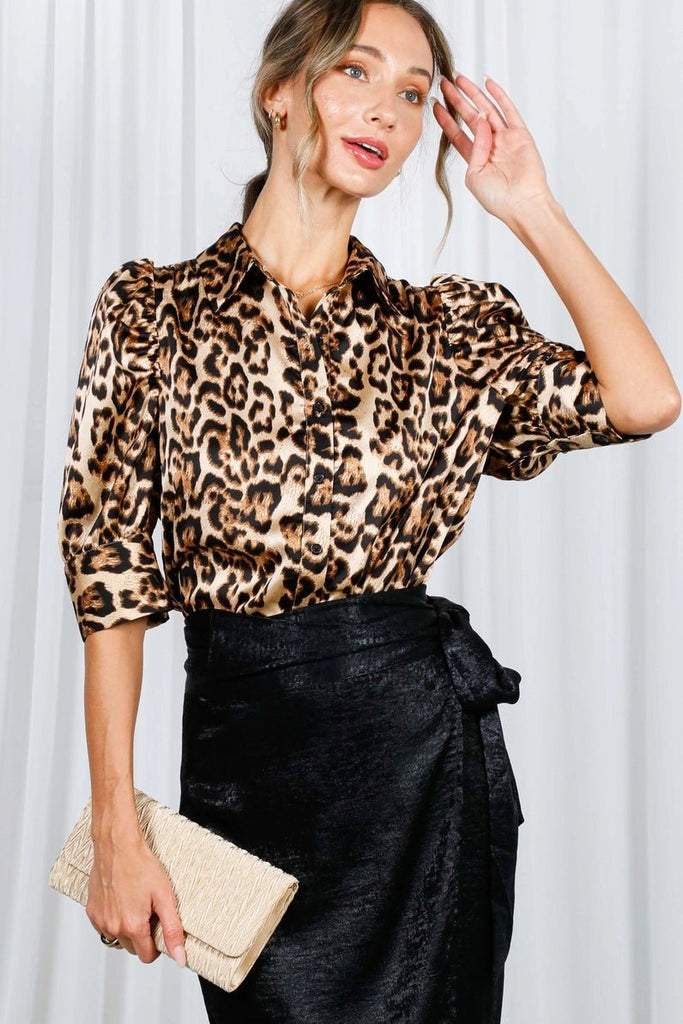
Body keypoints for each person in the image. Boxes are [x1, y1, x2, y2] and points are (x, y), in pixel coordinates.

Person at [56, 1, 679, 1021]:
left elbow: (643, 398)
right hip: (244, 773)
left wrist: (527, 205)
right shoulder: (151, 312)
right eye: (356, 71)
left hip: (416, 770)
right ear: (279, 92)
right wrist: (116, 829)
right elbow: (110, 580)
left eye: (414, 93)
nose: (387, 109)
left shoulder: (444, 333)